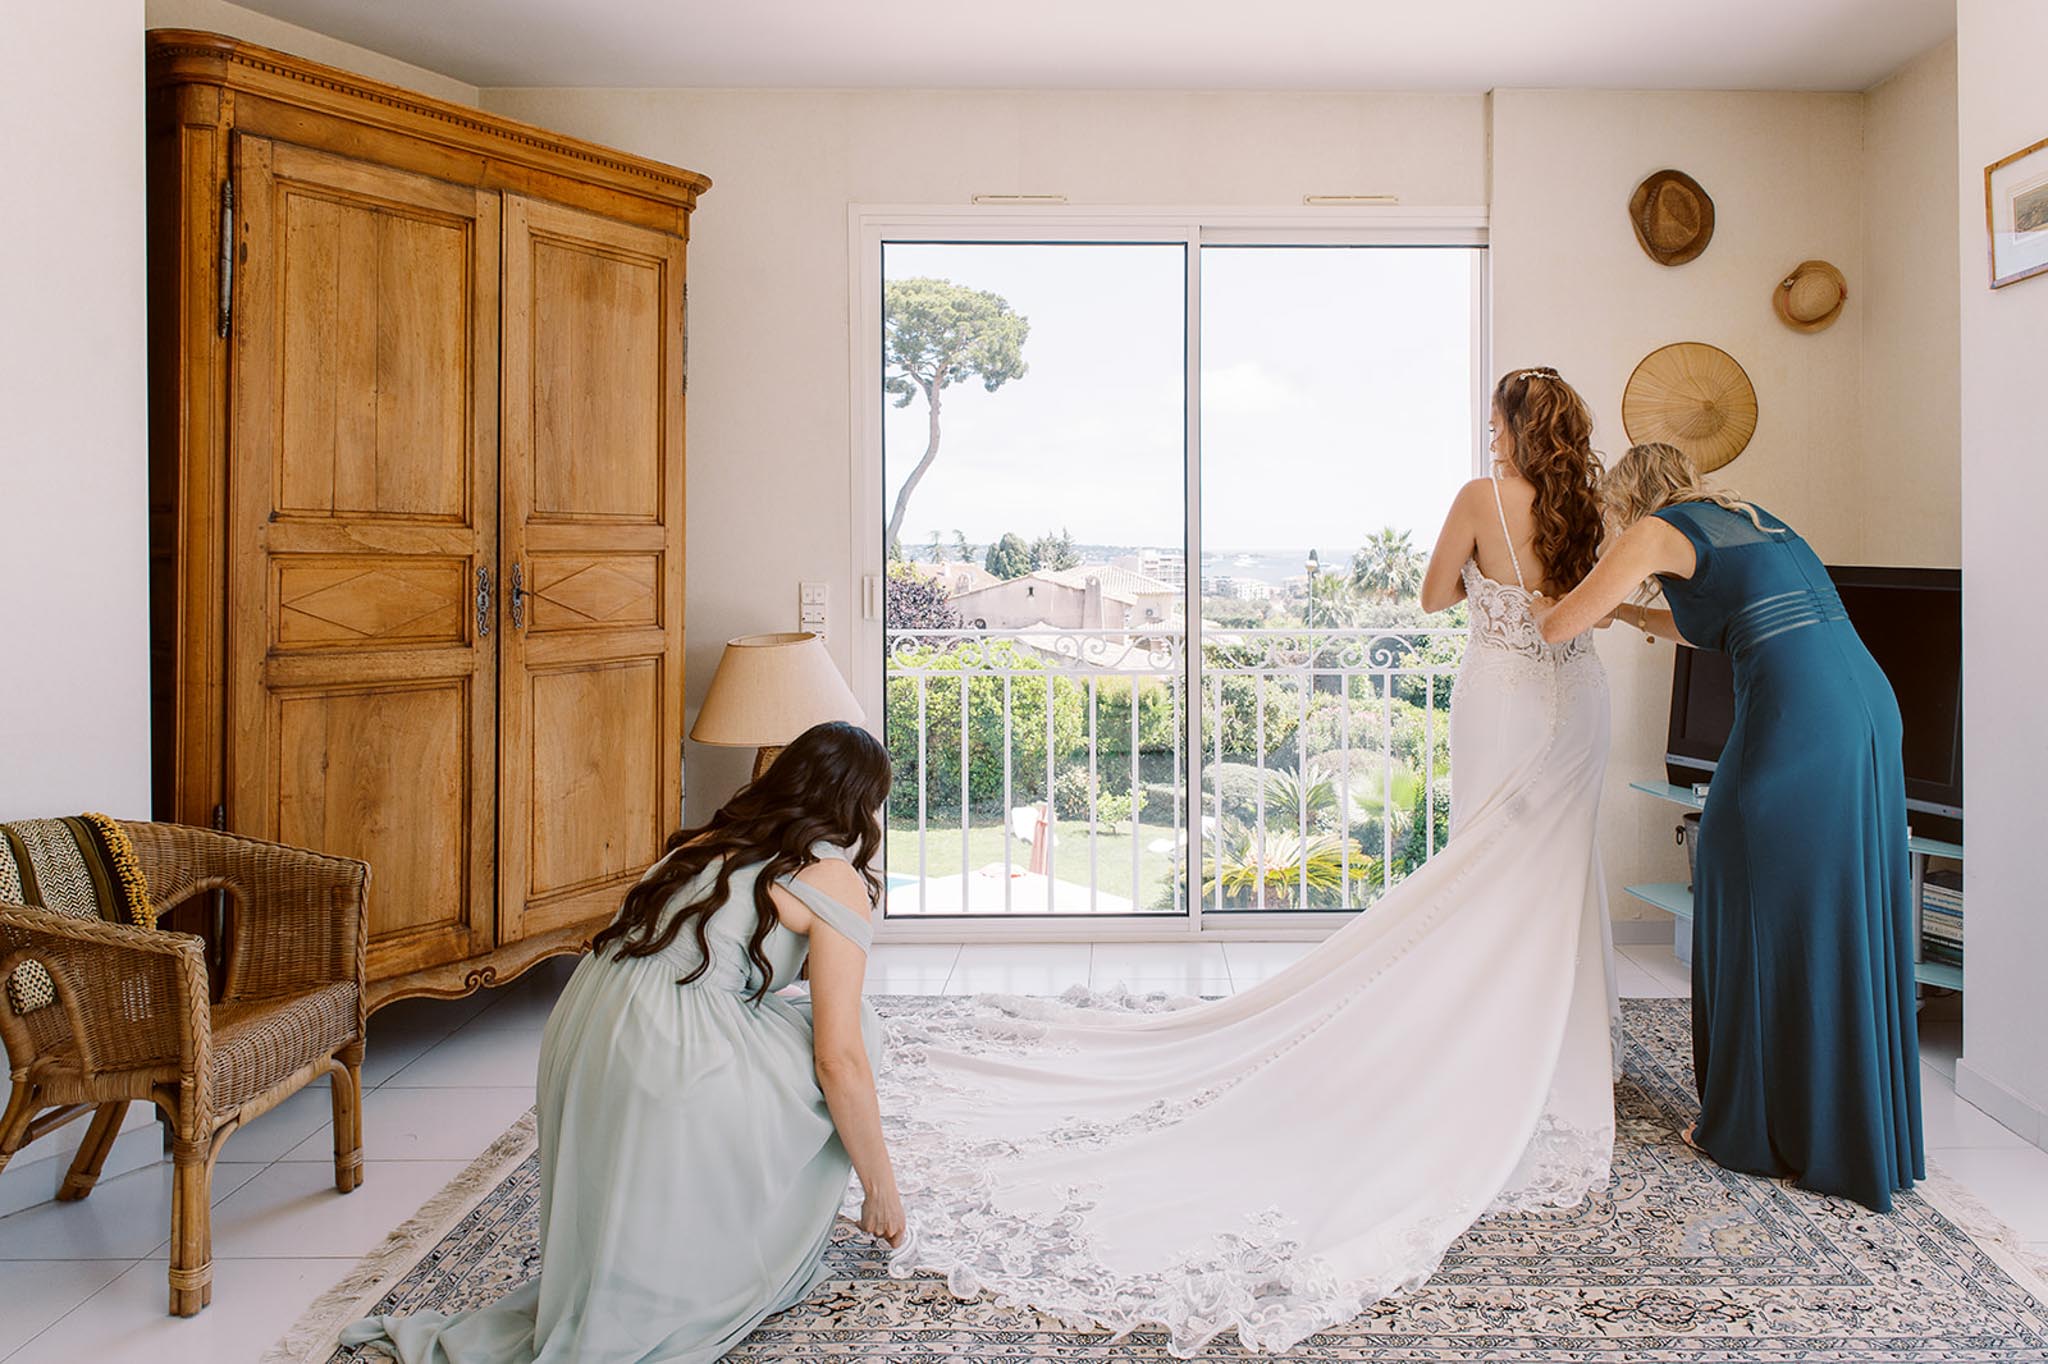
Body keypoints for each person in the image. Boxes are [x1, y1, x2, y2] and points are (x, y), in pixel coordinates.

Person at [873, 368, 1618, 1357]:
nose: (1485, 436)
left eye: (1491, 422)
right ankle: (1541, 1068)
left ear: (1511, 427)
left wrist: (1487, 583)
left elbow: (1436, 593)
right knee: (1543, 886)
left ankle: (1462, 1032)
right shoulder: (1583, 506)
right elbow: (1589, 610)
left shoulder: (1478, 499)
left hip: (1501, 699)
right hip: (1578, 707)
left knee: (1477, 878)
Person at [343, 720, 903, 1363]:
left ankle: (670, 1241)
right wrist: (878, 1184)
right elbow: (840, 1059)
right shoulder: (833, 876)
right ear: (862, 805)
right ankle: (739, 1249)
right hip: (663, 1045)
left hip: (586, 1024)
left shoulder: (709, 841)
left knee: (789, 1043)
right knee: (857, 1033)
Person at [1531, 441, 1923, 1212]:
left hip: (1799, 721)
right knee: (1827, 902)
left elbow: (1559, 624)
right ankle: (1830, 1116)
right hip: (1865, 711)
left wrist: (1545, 604)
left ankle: (1749, 1126)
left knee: (1740, 891)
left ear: (1630, 500)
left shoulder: (1655, 529)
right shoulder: (1751, 520)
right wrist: (1636, 616)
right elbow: (1727, 627)